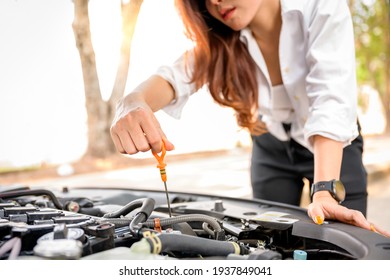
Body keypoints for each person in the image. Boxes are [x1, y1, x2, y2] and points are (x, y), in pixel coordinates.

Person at [110, 0, 389, 236]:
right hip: (269, 147)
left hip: (335, 147)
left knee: (340, 244)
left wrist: (325, 190)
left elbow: (331, 99)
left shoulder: (320, 5)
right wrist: (132, 102)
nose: (215, 2)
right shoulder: (220, 42)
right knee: (268, 241)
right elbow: (174, 77)